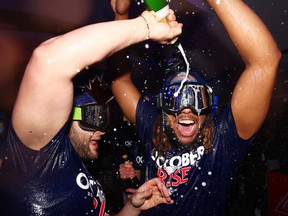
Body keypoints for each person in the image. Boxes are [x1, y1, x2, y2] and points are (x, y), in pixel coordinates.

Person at [0, 5, 182, 216]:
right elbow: (48, 59)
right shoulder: (35, 157)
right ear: (65, 117)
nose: (102, 129)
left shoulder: (78, 166)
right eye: (93, 116)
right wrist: (146, 26)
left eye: (102, 118)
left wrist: (133, 206)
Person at [111, 0, 281, 215]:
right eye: (176, 97)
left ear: (208, 105)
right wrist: (121, 14)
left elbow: (265, 61)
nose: (186, 108)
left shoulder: (223, 137)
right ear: (163, 106)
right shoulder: (153, 127)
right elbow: (120, 83)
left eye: (195, 97)